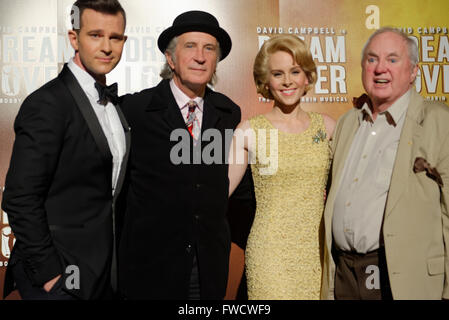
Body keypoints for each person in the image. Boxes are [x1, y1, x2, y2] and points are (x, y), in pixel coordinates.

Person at [2, 0, 129, 300]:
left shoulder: (116, 107)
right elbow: (20, 197)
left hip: (105, 278)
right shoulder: (47, 104)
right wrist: (51, 277)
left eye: (115, 37)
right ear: (74, 38)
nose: (107, 47)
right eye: (95, 35)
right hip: (61, 280)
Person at [118, 10, 247, 300]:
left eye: (209, 48)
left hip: (207, 266)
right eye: (190, 46)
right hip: (149, 267)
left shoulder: (228, 113)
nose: (200, 56)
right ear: (170, 58)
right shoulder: (135, 111)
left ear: (216, 60)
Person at [321, 27, 449, 300]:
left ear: (413, 71)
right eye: (372, 59)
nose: (380, 68)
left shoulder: (439, 121)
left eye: (392, 59)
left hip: (401, 276)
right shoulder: (347, 123)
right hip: (345, 273)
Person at [228, 34, 336, 299]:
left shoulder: (329, 128)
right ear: (266, 81)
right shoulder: (249, 131)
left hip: (317, 254)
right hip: (269, 256)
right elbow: (218, 192)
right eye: (278, 73)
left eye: (295, 71)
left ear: (307, 77)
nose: (287, 81)